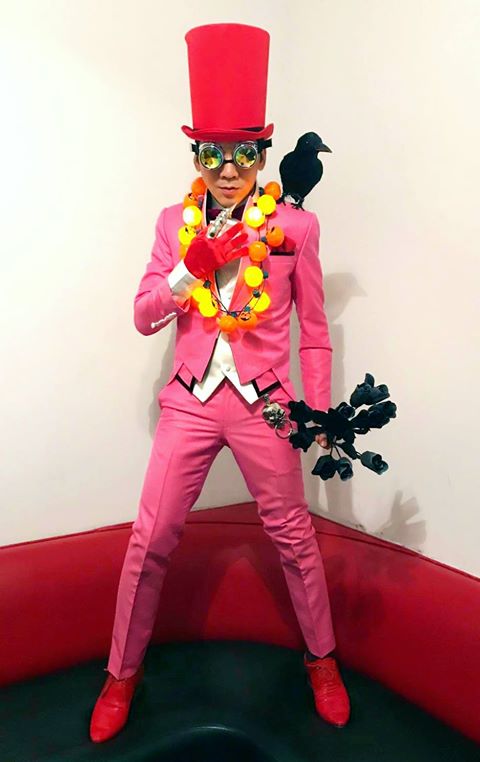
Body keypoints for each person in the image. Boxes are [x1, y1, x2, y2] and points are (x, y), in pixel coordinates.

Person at [89, 22, 350, 744]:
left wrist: (317, 415)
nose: (228, 169)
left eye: (243, 154)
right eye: (212, 153)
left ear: (264, 154)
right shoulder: (172, 224)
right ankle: (120, 674)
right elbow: (144, 315)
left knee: (294, 537)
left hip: (267, 405)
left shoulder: (296, 229)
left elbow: (314, 331)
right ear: (196, 155)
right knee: (150, 539)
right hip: (191, 400)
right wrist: (191, 268)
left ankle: (322, 659)